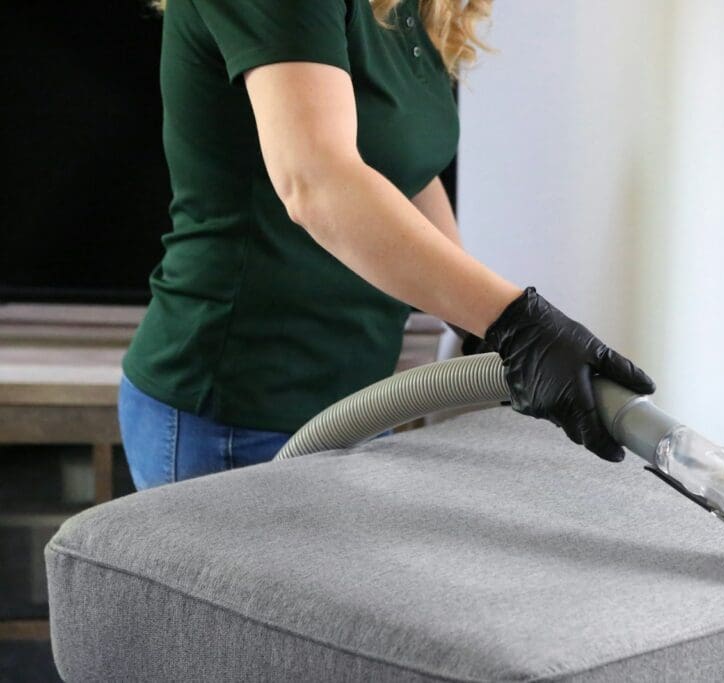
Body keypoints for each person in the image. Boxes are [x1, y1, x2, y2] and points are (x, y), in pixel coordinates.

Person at [118, 0, 655, 491]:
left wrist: (478, 328)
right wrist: (520, 326)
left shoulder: (404, 7)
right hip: (235, 414)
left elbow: (405, 171)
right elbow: (315, 181)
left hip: (356, 401)